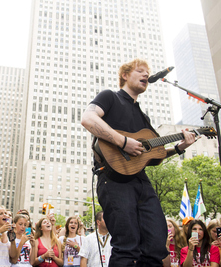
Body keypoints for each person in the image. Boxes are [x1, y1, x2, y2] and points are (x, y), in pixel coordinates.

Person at [81, 58, 196, 266]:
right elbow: (88, 118)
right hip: (113, 180)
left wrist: (180, 148)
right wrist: (123, 142)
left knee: (156, 246)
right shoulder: (110, 97)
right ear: (125, 75)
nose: (146, 75)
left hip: (141, 182)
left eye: (148, 72)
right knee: (127, 247)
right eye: (140, 71)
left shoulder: (143, 117)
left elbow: (153, 156)